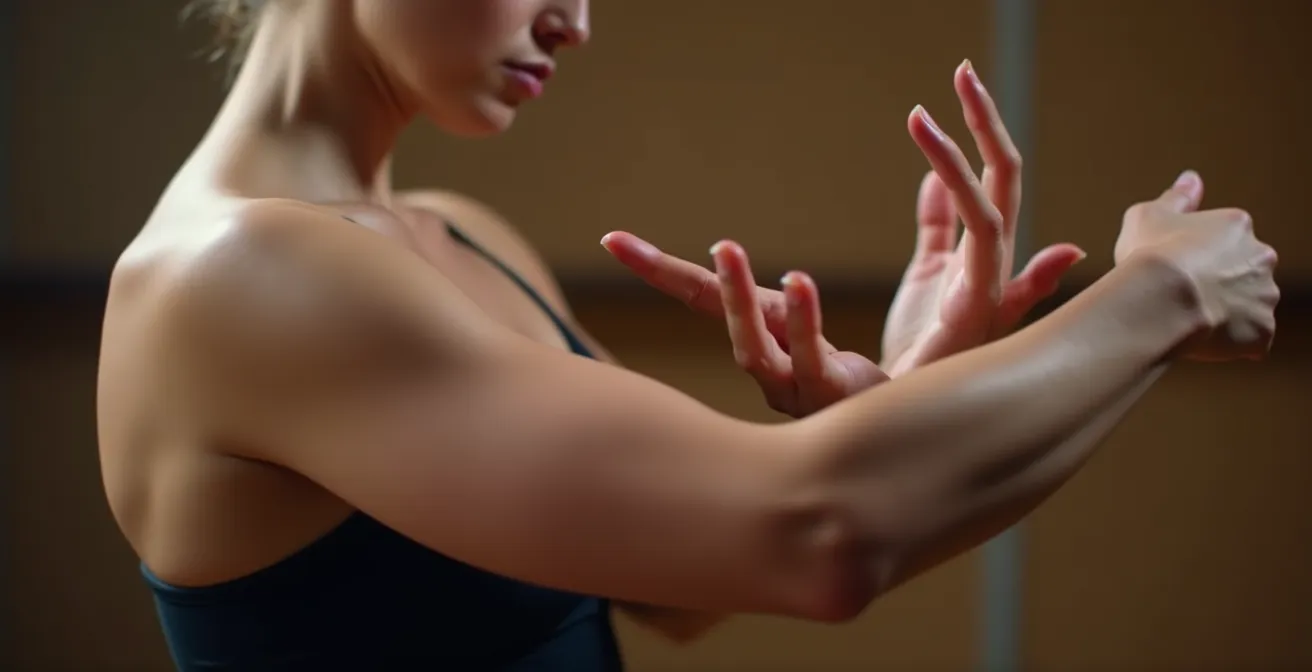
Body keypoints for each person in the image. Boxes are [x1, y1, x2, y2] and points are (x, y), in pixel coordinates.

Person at [95, 1, 1279, 670]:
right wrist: (1157, 297)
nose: (577, 19)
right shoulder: (239, 276)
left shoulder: (449, 235)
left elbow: (684, 588)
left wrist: (904, 398)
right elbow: (814, 538)